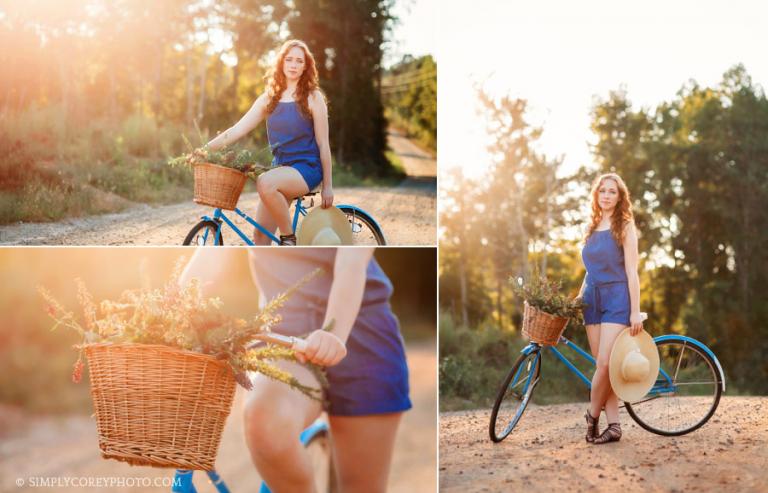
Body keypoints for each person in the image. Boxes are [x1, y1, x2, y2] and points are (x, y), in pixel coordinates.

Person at [180, 248, 411, 492]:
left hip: (361, 337)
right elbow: (212, 254)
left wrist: (333, 334)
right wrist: (171, 313)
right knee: (266, 419)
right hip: (283, 340)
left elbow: (350, 264)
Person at [200, 39, 333, 246]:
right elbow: (237, 129)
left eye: (299, 61)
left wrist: (328, 186)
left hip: (307, 168)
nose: (293, 65)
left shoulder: (314, 98)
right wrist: (204, 150)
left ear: (306, 66)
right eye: (289, 59)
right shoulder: (268, 98)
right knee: (260, 238)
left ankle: (289, 239)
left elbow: (324, 144)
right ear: (281, 63)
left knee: (265, 181)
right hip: (279, 168)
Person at [576, 172, 643, 444]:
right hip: (592, 298)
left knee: (605, 363)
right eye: (602, 190)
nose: (606, 195)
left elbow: (632, 271)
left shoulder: (625, 226)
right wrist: (578, 298)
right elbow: (588, 270)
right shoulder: (591, 227)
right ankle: (613, 425)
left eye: (612, 191)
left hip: (617, 297)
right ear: (596, 195)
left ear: (620, 196)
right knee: (605, 369)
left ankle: (592, 416)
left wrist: (635, 310)